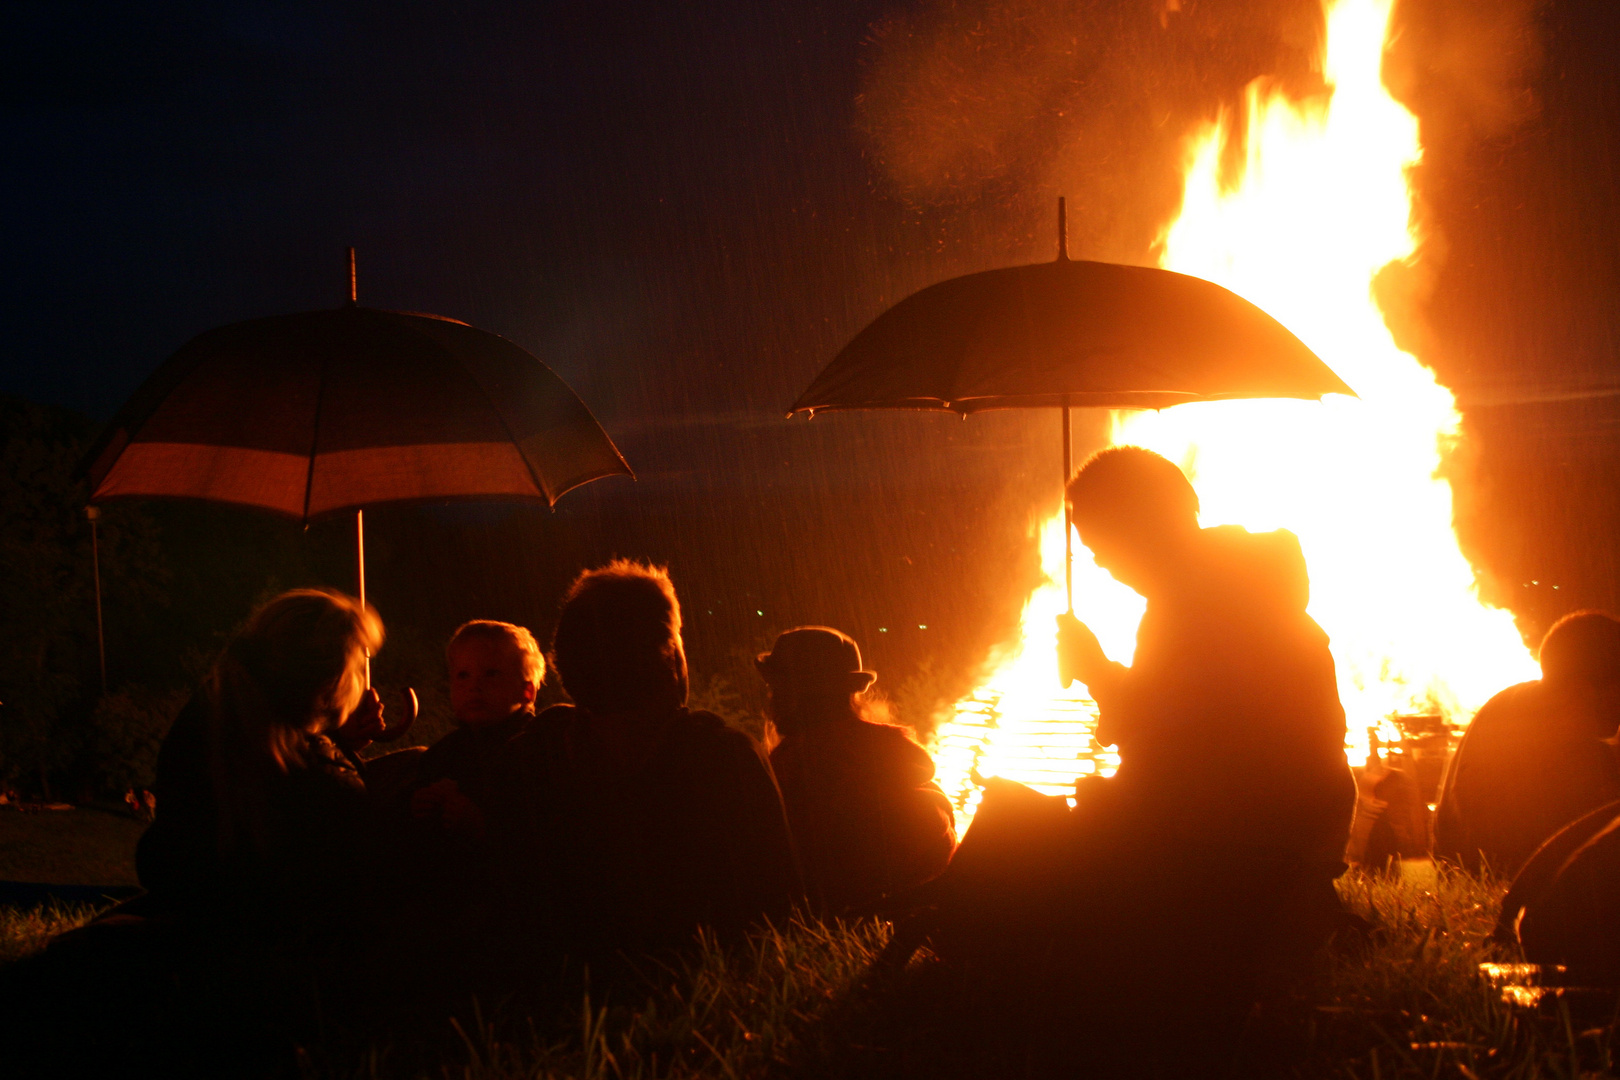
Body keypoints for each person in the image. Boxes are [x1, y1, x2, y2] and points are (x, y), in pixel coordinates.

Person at [2, 590, 389, 1076]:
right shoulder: (317, 781)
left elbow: (164, 863)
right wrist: (344, 761)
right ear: (335, 675)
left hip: (207, 926)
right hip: (259, 975)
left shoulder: (217, 717)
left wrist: (335, 744)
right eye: (363, 660)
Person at [494, 560, 801, 977]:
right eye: (676, 638)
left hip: (551, 987)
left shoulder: (531, 755)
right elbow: (775, 908)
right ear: (669, 656)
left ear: (567, 657)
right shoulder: (724, 759)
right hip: (693, 990)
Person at [757, 626, 955, 914]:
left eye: (777, 689)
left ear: (800, 694)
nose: (771, 701)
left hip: (836, 919)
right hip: (919, 913)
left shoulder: (791, 768)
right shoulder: (896, 756)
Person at [1434, 611, 1620, 877]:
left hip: (1463, 881)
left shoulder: (1506, 704)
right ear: (1582, 689)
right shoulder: (1580, 756)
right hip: (1519, 897)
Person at [409, 619, 545, 840]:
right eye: (463, 675)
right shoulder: (439, 756)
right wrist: (417, 809)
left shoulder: (538, 751)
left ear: (527, 691)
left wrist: (484, 826)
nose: (474, 686)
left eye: (491, 674)